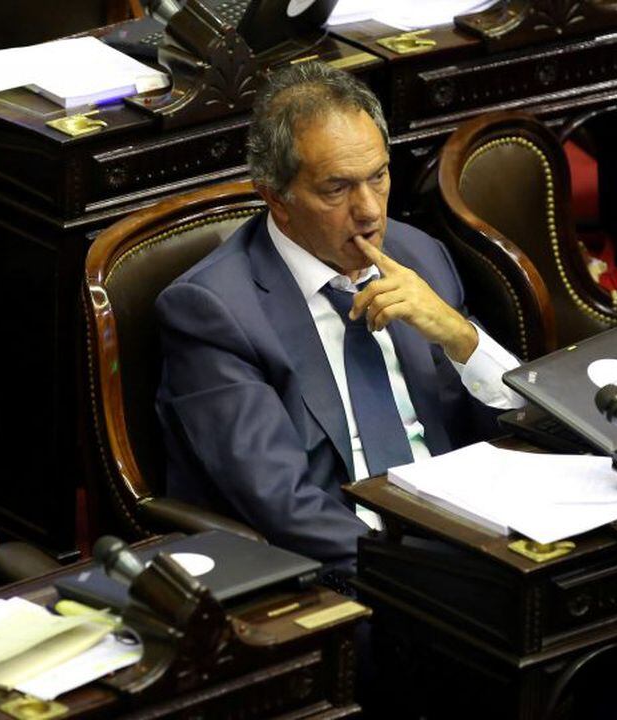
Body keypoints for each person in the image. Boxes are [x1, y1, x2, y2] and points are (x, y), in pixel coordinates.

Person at [154, 61, 523, 570]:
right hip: (344, 572)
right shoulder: (214, 311)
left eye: (379, 176)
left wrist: (462, 340)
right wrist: (417, 573)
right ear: (275, 198)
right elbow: (280, 504)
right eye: (337, 188)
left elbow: (519, 425)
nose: (370, 210)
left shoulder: (420, 258)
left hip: (468, 532)